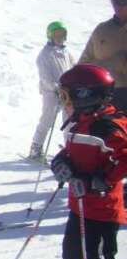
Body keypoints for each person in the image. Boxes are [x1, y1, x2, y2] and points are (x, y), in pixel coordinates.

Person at [49, 64, 127, 259]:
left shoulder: (109, 126)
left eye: (68, 94)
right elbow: (73, 150)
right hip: (79, 204)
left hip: (102, 208)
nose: (66, 101)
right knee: (73, 252)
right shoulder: (80, 120)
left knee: (99, 258)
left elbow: (124, 158)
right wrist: (62, 161)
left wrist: (101, 178)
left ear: (86, 95)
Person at [29, 21, 76, 161]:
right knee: (47, 119)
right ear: (50, 35)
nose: (59, 37)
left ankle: (71, 147)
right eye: (56, 34)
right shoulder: (45, 54)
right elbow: (44, 77)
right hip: (52, 92)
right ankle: (35, 148)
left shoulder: (66, 52)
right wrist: (55, 87)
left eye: (62, 34)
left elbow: (74, 67)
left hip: (67, 92)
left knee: (70, 120)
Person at [79, 0, 127, 112]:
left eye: (122, 2)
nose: (117, 6)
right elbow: (83, 63)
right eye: (114, 2)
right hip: (100, 94)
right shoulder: (102, 29)